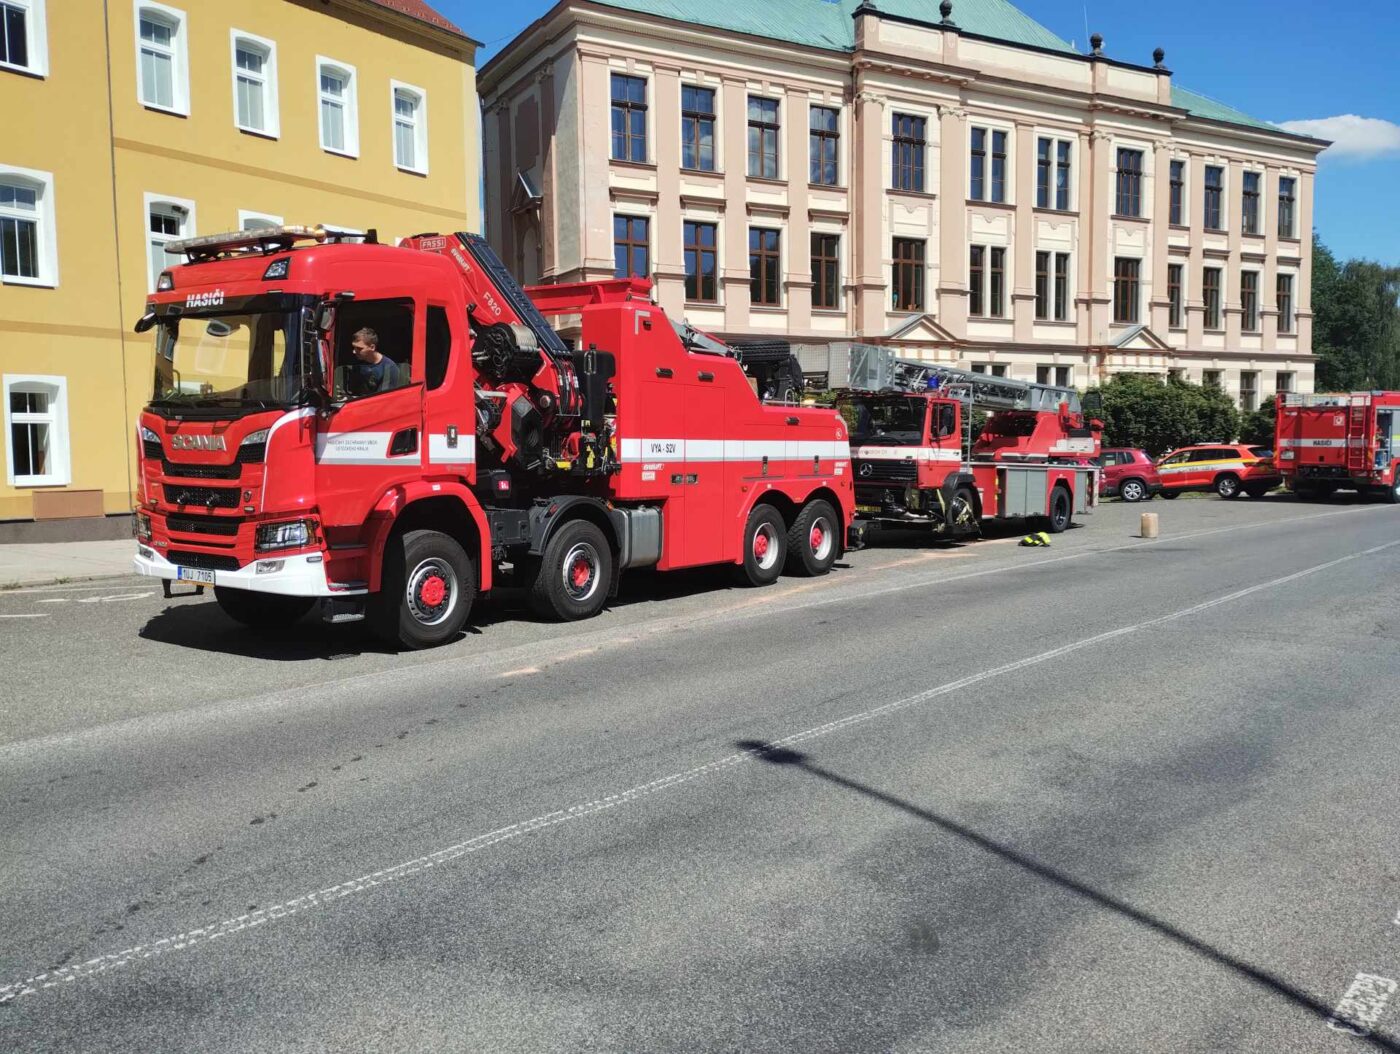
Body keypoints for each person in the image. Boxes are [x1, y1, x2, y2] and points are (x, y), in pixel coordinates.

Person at [348, 327, 403, 396]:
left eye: (359, 349)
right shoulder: (357, 362)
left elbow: (385, 398)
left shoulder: (389, 368)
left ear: (372, 347)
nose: (354, 352)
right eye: (354, 347)